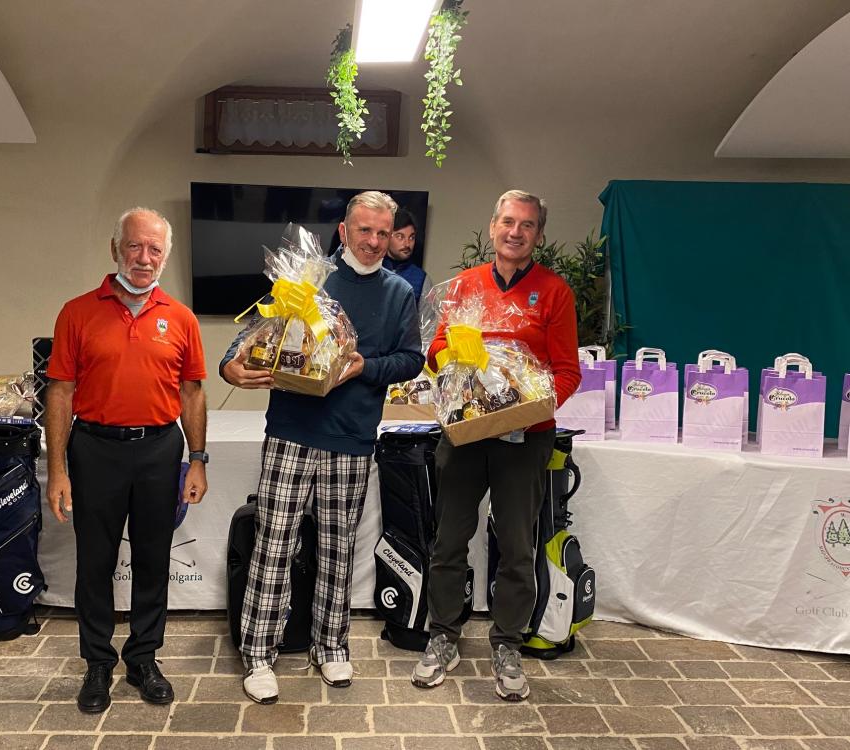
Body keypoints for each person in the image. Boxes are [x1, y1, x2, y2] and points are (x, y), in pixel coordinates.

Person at [221, 191, 425, 704]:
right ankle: (259, 652)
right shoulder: (307, 278)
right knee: (273, 544)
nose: (374, 241)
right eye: (365, 230)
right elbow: (251, 337)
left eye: (383, 232)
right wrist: (230, 366)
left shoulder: (399, 292)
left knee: (338, 548)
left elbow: (410, 359)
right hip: (291, 431)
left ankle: (331, 644)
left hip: (352, 438)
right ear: (343, 230)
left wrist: (365, 367)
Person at [411, 189, 581, 701]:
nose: (515, 232)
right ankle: (443, 635)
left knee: (516, 546)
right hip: (465, 434)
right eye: (508, 221)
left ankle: (507, 642)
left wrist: (526, 405)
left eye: (527, 225)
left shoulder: (554, 292)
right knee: (448, 540)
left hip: (524, 440)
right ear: (492, 227)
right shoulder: (464, 286)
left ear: (539, 236)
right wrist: (460, 364)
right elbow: (435, 352)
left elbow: (567, 372)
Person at [45, 207, 209, 714]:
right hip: (94, 450)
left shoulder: (180, 317)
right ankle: (98, 662)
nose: (144, 257)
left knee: (153, 559)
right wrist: (57, 469)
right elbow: (60, 392)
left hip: (160, 450)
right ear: (115, 249)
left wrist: (198, 459)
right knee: (94, 562)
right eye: (134, 246)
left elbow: (192, 393)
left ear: (165, 256)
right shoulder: (77, 312)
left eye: (155, 249)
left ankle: (143, 658)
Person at [382, 209, 431, 304]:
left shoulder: (421, 279)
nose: (407, 244)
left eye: (411, 237)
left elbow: (428, 314)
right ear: (387, 236)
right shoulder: (372, 270)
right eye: (400, 237)